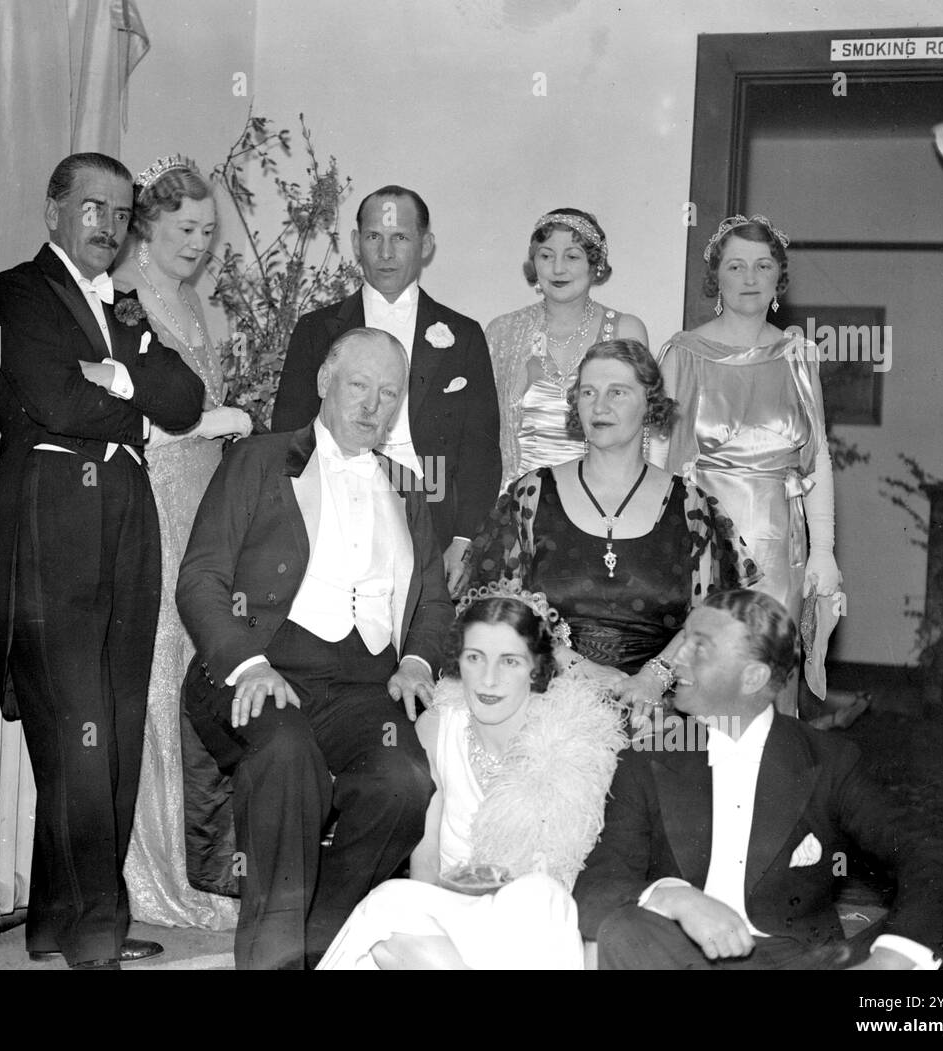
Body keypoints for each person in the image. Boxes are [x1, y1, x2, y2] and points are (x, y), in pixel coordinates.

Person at [0, 152, 207, 969]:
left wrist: (115, 370)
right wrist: (132, 401)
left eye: (120, 212)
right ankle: (97, 936)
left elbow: (185, 399)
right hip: (54, 525)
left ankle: (58, 923)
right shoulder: (15, 294)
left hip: (126, 522)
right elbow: (51, 401)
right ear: (54, 213)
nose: (107, 226)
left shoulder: (128, 309)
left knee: (107, 727)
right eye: (91, 209)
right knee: (77, 733)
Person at [176, 327, 453, 969]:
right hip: (260, 669)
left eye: (388, 394)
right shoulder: (260, 460)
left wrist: (415, 660)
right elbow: (201, 578)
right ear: (325, 382)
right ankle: (271, 960)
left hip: (361, 687)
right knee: (286, 754)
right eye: (359, 385)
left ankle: (319, 942)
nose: (372, 406)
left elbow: (434, 599)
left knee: (405, 785)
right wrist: (248, 663)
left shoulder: (409, 487)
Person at [574, 589, 943, 970]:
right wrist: (674, 896)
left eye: (700, 647)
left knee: (932, 935)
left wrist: (891, 958)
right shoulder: (647, 756)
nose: (676, 660)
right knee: (625, 929)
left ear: (752, 678)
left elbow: (934, 858)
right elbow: (597, 883)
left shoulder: (829, 759)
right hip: (683, 955)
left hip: (802, 959)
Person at [318, 587, 626, 970]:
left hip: (530, 929)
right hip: (447, 924)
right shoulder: (438, 726)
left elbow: (571, 881)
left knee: (537, 892)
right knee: (389, 902)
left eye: (509, 661)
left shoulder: (572, 743)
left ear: (536, 669)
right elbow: (425, 869)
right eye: (475, 658)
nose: (489, 679)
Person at [108, 155, 251, 931]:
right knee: (158, 675)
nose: (197, 243)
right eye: (184, 228)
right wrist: (227, 421)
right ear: (147, 227)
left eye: (206, 231)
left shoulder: (204, 306)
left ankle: (205, 862)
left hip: (206, 501)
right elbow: (149, 411)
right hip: (154, 500)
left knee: (200, 673)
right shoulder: (127, 305)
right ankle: (154, 874)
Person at [468, 339, 760, 716]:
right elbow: (500, 609)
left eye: (617, 392)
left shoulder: (691, 506)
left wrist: (654, 678)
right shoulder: (531, 495)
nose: (599, 406)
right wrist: (580, 670)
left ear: (650, 404)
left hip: (661, 705)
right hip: (546, 700)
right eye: (588, 392)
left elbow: (713, 617)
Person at [272, 184, 501, 596]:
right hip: (338, 507)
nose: (386, 252)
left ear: (426, 244)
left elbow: (481, 449)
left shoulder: (464, 335)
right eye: (374, 237)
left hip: (431, 509)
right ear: (356, 242)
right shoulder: (316, 329)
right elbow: (288, 432)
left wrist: (464, 541)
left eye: (401, 237)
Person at [654, 214, 841, 715]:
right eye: (737, 266)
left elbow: (817, 456)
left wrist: (824, 551)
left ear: (779, 276)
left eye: (763, 266)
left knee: (768, 677)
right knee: (706, 670)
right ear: (717, 276)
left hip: (783, 547)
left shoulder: (799, 355)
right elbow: (656, 456)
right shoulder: (683, 352)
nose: (750, 278)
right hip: (702, 541)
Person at [486, 208, 649, 488]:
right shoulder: (502, 332)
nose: (558, 268)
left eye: (572, 256)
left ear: (594, 264)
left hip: (601, 497)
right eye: (546, 256)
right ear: (534, 263)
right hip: (518, 501)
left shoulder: (626, 330)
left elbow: (641, 431)